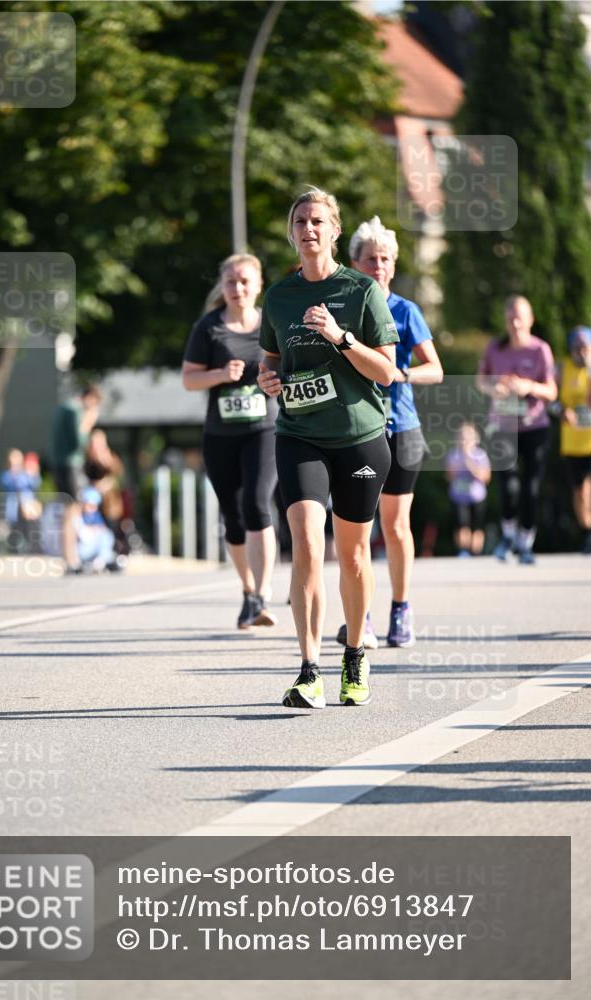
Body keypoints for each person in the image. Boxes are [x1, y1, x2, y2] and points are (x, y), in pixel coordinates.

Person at [258, 188, 398, 708]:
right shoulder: (278, 297)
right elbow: (270, 362)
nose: (309, 229)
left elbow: (387, 371)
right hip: (299, 435)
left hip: (359, 439)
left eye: (318, 221)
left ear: (335, 231)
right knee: (307, 543)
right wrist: (266, 379)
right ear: (291, 232)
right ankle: (308, 669)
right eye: (300, 221)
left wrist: (342, 337)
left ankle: (355, 654)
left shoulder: (362, 291)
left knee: (354, 556)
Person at [337, 217, 443, 649]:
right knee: (358, 529)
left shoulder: (406, 311)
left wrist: (402, 374)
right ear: (354, 265)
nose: (378, 266)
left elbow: (435, 369)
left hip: (402, 428)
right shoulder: (344, 310)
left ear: (394, 266)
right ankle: (360, 615)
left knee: (396, 526)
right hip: (357, 431)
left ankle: (401, 607)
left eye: (385, 259)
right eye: (370, 259)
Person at [182, 253, 279, 629]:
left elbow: (289, 365)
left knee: (257, 504)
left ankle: (263, 595)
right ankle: (248, 590)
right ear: (222, 287)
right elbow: (189, 379)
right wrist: (220, 374)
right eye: (231, 282)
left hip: (263, 430)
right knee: (233, 517)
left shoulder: (270, 324)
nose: (237, 288)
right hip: (220, 435)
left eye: (244, 281)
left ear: (258, 285)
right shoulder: (208, 328)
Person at [477, 295, 558, 564]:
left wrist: (529, 387)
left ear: (530, 320)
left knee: (530, 488)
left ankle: (526, 542)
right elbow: (481, 381)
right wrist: (495, 388)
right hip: (503, 426)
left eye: (519, 318)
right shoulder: (495, 348)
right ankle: (508, 536)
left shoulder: (540, 350)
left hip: (535, 427)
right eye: (510, 318)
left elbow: (552, 391)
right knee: (508, 486)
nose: (514, 323)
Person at [557, 326, 591, 554]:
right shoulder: (562, 369)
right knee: (579, 491)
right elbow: (552, 400)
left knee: (588, 489)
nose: (581, 351)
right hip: (572, 442)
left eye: (585, 346)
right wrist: (562, 411)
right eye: (577, 347)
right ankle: (587, 532)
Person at [445, 422, 491, 556]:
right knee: (461, 524)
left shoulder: (480, 455)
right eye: (461, 436)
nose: (464, 440)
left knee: (477, 526)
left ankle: (476, 553)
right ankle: (463, 551)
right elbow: (449, 476)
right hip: (458, 496)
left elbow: (486, 477)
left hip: (477, 496)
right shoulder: (453, 455)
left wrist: (470, 464)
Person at [50, 384, 102, 500]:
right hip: (71, 464)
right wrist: (88, 422)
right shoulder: (75, 411)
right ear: (90, 397)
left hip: (58, 463)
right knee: (75, 501)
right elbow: (78, 442)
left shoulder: (64, 407)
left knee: (65, 501)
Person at [71, 486, 120, 573]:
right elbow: (79, 533)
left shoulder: (96, 516)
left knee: (107, 535)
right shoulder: (78, 516)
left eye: (94, 506)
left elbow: (102, 528)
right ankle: (102, 561)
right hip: (82, 549)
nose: (91, 508)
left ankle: (102, 560)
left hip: (93, 546)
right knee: (105, 536)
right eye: (89, 505)